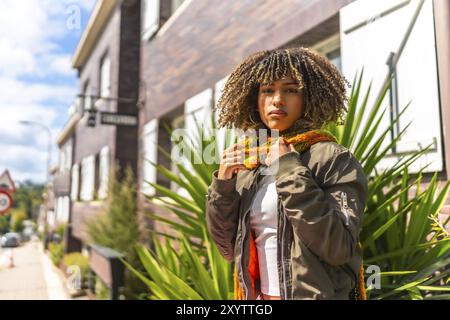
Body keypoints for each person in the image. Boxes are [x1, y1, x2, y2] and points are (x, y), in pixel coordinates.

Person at [205, 47, 368, 300]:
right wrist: (223, 185)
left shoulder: (332, 158)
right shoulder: (250, 165)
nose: (277, 100)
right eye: (267, 90)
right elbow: (228, 249)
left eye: (290, 90)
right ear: (254, 99)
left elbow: (338, 248)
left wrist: (289, 170)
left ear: (308, 98)